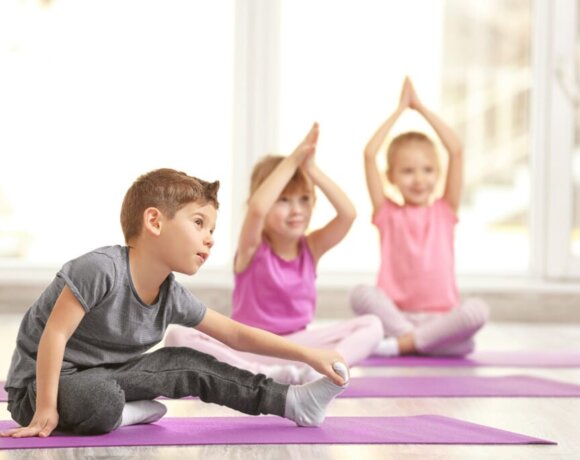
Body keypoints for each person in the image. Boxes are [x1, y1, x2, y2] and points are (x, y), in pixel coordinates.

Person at [0, 168, 349, 439]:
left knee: (186, 362)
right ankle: (125, 412)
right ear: (154, 221)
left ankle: (291, 401)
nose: (209, 239)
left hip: (109, 378)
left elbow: (235, 334)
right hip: (39, 389)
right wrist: (45, 408)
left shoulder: (172, 295)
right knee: (101, 399)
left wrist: (308, 355)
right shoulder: (100, 269)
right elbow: (55, 334)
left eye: (211, 229)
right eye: (199, 223)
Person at [165, 123, 383, 382]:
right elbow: (258, 208)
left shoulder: (311, 248)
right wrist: (295, 158)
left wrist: (311, 168)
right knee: (178, 335)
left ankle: (326, 369)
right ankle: (264, 374)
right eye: (283, 200)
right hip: (248, 347)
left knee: (372, 325)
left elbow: (348, 214)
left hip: (297, 349)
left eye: (304, 199)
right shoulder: (252, 247)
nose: (296, 210)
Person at [350, 77, 489, 357]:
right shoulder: (387, 213)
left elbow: (456, 150)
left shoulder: (445, 210)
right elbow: (369, 154)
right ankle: (420, 342)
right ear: (391, 176)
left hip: (440, 319)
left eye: (427, 170)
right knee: (361, 294)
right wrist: (400, 110)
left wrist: (421, 108)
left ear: (438, 173)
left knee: (477, 311)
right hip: (397, 316)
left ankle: (404, 344)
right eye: (407, 171)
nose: (419, 180)